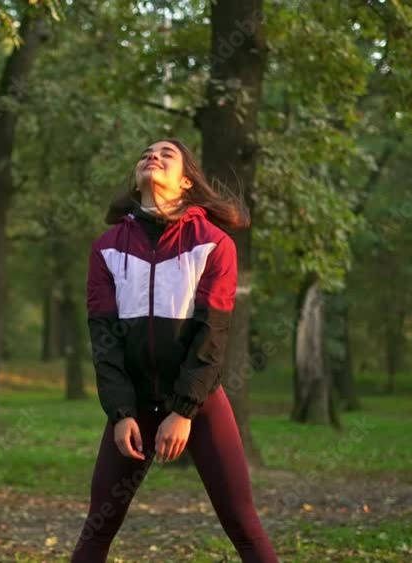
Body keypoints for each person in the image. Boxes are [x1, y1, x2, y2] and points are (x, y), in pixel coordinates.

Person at [70, 139, 278, 562]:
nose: (153, 157)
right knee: (98, 526)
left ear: (185, 182)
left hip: (199, 405)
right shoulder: (106, 249)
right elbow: (104, 340)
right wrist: (121, 412)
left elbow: (212, 334)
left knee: (242, 523)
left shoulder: (214, 244)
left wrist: (183, 411)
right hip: (134, 406)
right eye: (146, 153)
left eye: (166, 154)